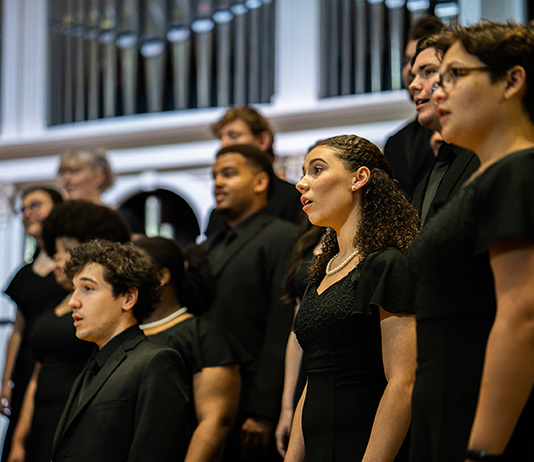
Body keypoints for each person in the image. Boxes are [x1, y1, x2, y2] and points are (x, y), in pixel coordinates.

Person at [409, 22, 534, 462]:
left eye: (455, 76)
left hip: (479, 424)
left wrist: (481, 451)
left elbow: (523, 317)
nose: (436, 92)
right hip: (446, 406)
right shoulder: (485, 177)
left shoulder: (519, 171)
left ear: (511, 81)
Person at [285, 134, 419, 462]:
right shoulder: (320, 272)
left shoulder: (386, 264)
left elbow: (403, 382)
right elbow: (313, 379)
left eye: (317, 170)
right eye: (303, 173)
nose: (302, 183)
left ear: (359, 178)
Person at [8, 201, 131, 462]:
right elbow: (36, 376)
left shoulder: (100, 310)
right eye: (56, 249)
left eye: (67, 249)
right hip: (40, 418)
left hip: (77, 416)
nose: (57, 256)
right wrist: (19, 439)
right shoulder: (54, 304)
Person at [51, 239, 189, 462]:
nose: (73, 302)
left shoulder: (156, 362)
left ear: (128, 297)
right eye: (74, 289)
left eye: (87, 288)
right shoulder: (93, 363)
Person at [203, 144, 298, 461]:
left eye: (228, 174)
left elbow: (281, 322)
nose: (218, 182)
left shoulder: (282, 236)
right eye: (215, 175)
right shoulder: (211, 245)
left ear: (260, 182)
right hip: (207, 394)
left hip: (251, 394)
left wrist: (263, 409)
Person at [133, 236, 250, 462]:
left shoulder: (202, 335)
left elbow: (215, 422)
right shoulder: (125, 331)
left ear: (162, 276)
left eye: (133, 270)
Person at [1, 188, 65, 461]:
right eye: (23, 209)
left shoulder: (69, 267)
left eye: (35, 205)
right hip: (26, 366)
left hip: (58, 366)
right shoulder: (25, 273)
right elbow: (18, 330)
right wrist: (6, 380)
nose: (28, 214)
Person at [408, 32, 480, 225]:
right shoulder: (427, 179)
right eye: (413, 76)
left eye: (428, 72)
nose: (413, 85)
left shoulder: (487, 157)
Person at [205, 106, 303, 238]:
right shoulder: (218, 214)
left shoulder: (292, 199)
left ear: (263, 140)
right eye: (221, 138)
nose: (224, 145)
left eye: (234, 136)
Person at [274, 221, 323, 457]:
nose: (302, 186)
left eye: (312, 179)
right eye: (304, 179)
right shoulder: (311, 238)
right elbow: (296, 332)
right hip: (304, 372)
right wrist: (286, 406)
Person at [384, 16, 446, 200]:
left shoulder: (460, 135)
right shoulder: (395, 142)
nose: (409, 72)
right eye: (406, 61)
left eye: (427, 70)